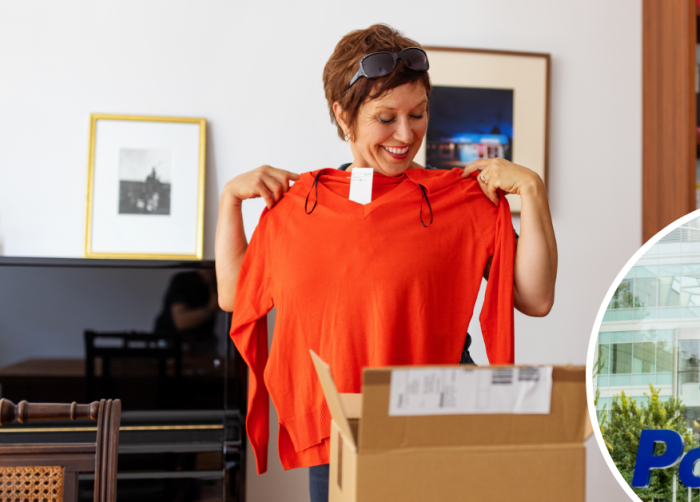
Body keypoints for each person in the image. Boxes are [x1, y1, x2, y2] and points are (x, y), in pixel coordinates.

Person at [215, 24, 557, 502]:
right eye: (385, 117)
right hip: (342, 425)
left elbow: (536, 298)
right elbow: (235, 295)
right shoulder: (300, 208)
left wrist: (533, 191)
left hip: (443, 415)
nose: (406, 134)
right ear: (343, 115)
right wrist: (231, 198)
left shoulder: (461, 200)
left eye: (417, 114)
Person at [154, 268, 220, 352]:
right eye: (208, 265)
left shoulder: (214, 284)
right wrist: (210, 309)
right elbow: (181, 321)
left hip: (202, 346)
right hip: (171, 345)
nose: (211, 269)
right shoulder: (183, 280)